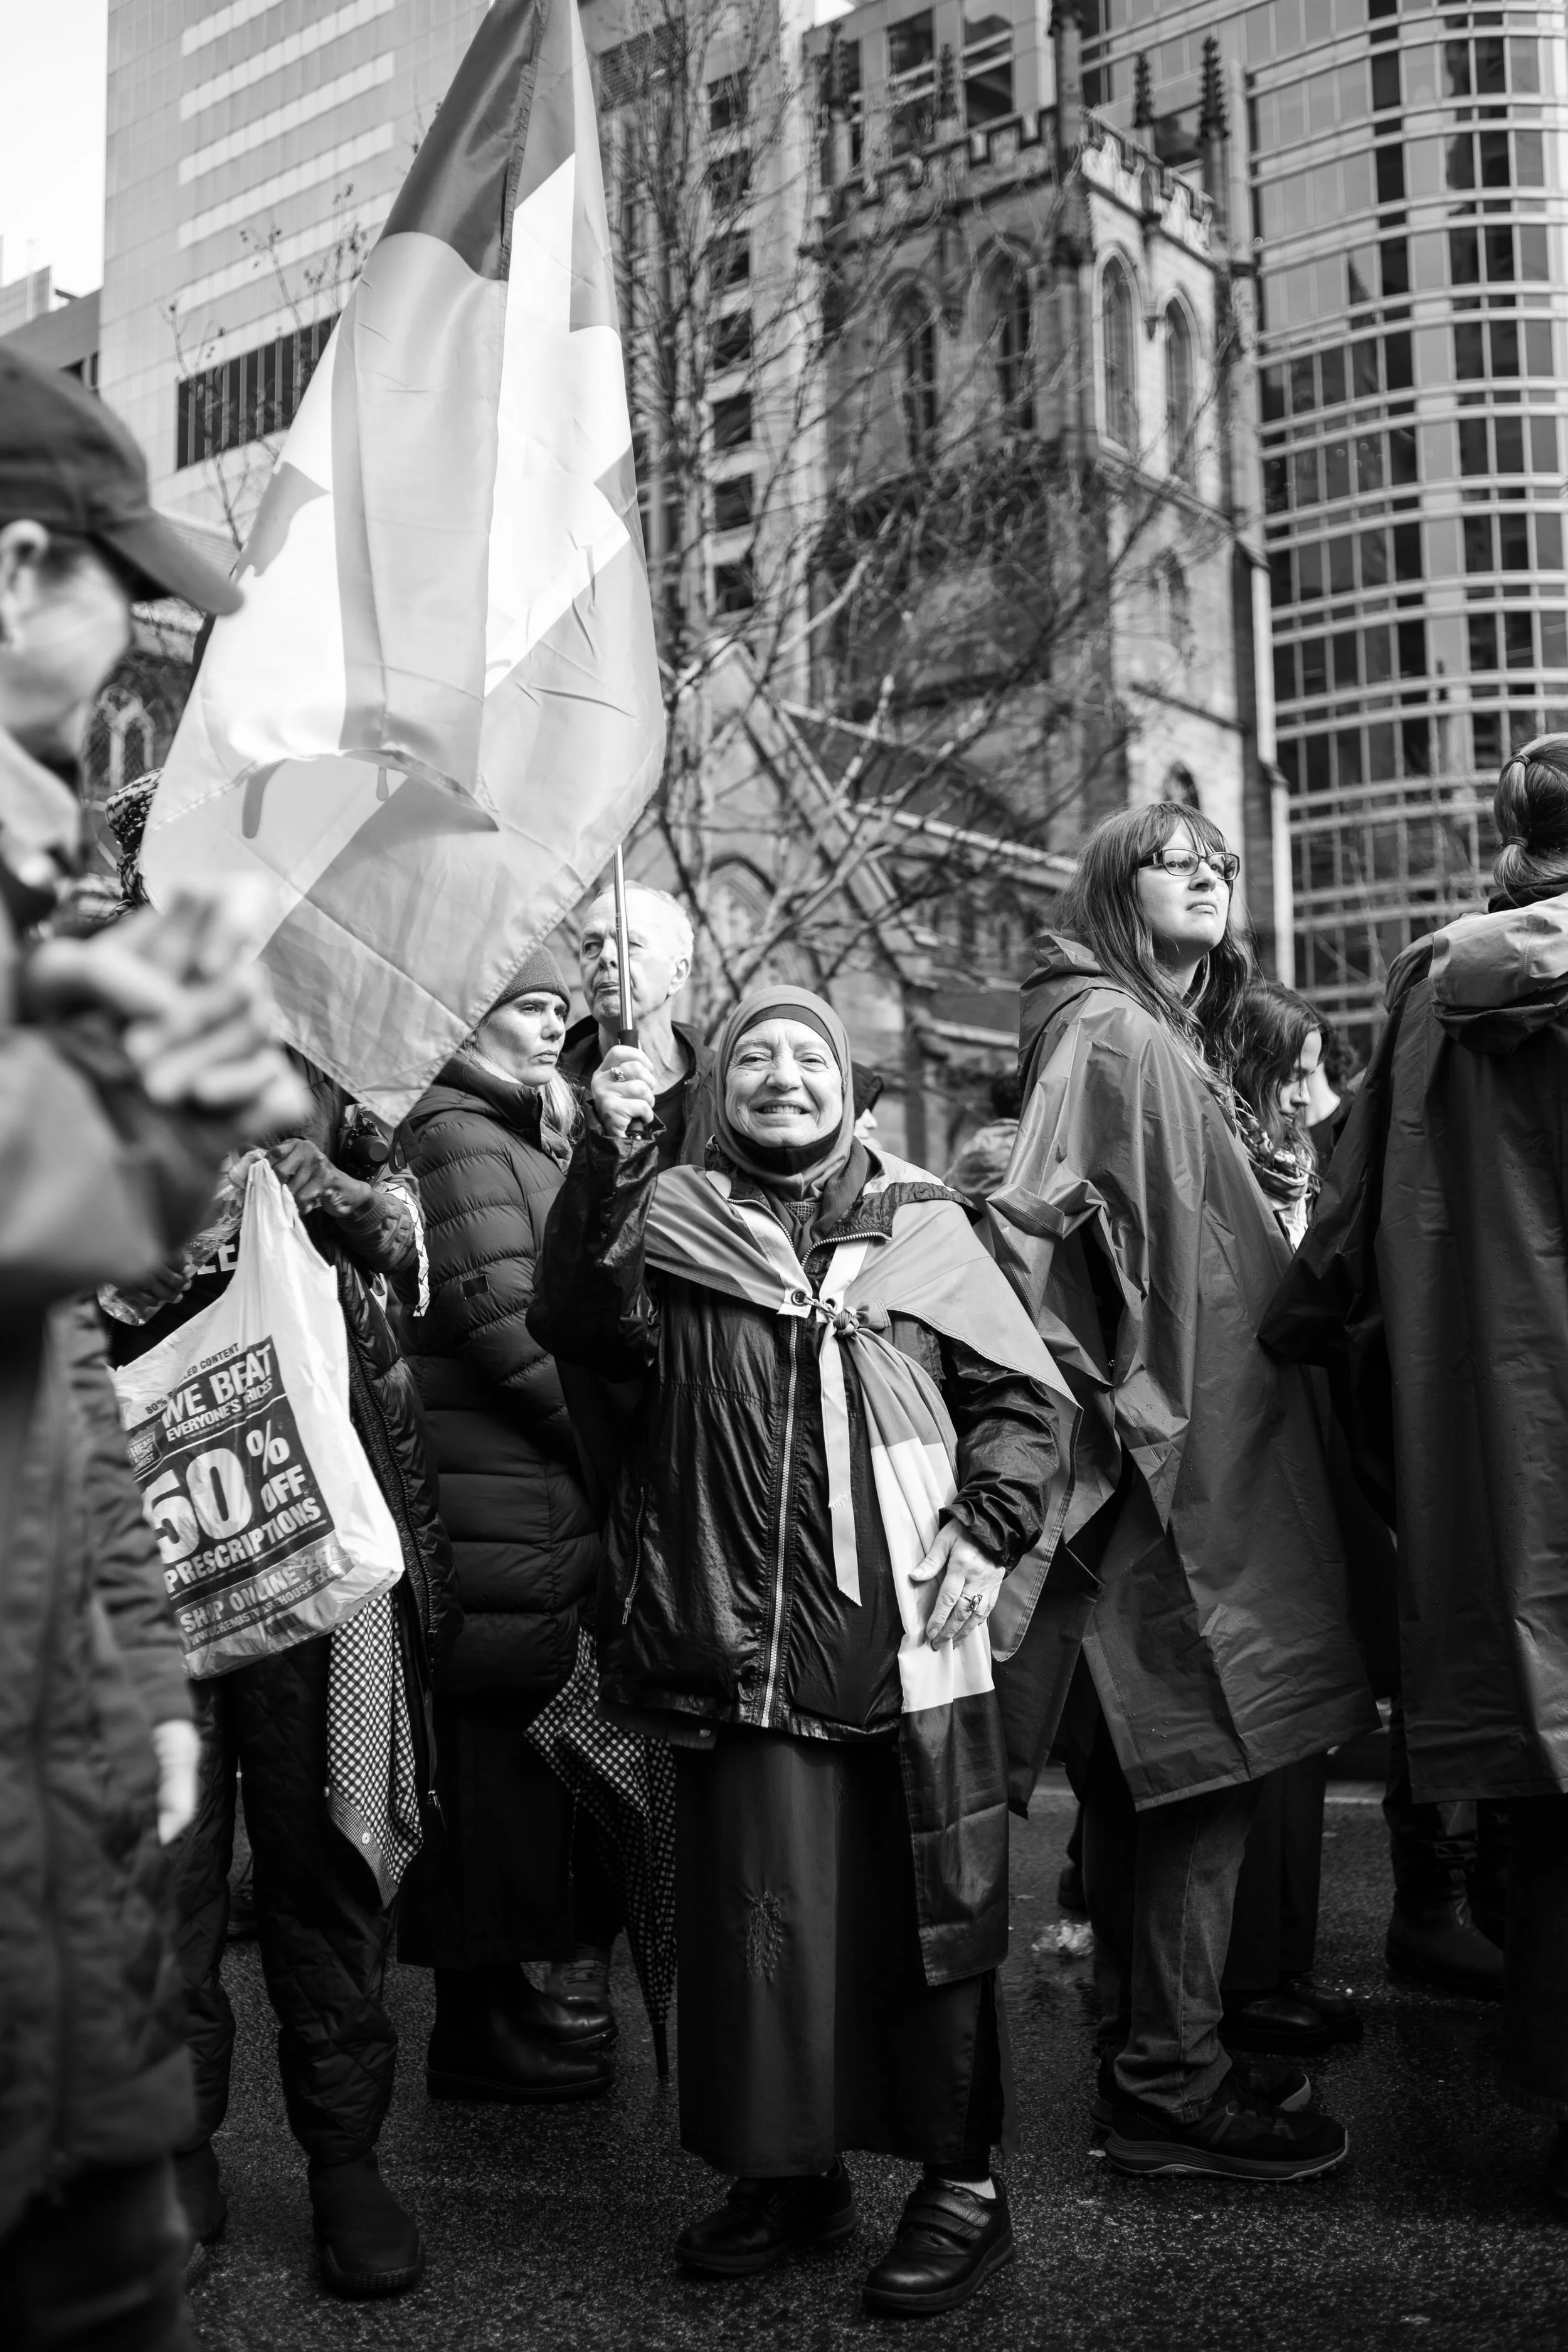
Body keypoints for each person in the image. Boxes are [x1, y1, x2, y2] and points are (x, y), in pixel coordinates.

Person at [529, 983, 1072, 2316]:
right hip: (731, 1639)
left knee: (921, 1921)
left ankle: (961, 2187)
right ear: (717, 1090)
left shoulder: (928, 1227)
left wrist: (990, 1526)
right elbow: (582, 1326)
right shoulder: (662, 1220)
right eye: (755, 1056)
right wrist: (609, 1153)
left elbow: (1017, 1397)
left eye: (808, 1056)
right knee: (757, 1927)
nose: (783, 1075)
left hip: (901, 1644)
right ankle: (789, 2172)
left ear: (847, 1087)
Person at [0, 347, 302, 2352]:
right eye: (132, 592)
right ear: (26, 569)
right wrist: (141, 1100)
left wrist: (139, 1662)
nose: (145, 659)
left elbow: (57, 1378)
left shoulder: (39, 880)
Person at [987, 802, 1375, 2181]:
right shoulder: (1108, 1029)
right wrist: (1116, 1414)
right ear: (1111, 887)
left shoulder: (1158, 1036)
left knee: (1162, 1782)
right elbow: (1036, 1240)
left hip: (1189, 1465)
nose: (1206, 872)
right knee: (1195, 1775)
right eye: (1173, 859)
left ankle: (1151, 2057)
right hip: (1162, 1482)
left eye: (1218, 860)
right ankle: (1166, 2086)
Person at [1263, 737, 1568, 2217]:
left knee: (1549, 1760)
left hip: (1505, 1432)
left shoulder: (1433, 981)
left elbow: (1353, 1194)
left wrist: (1307, 1321)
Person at [107, 1062, 458, 2302]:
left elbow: (415, 1246)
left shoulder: (326, 1045)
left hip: (319, 1534)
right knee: (161, 1866)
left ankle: (347, 2162)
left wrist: (341, 1197)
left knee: (328, 1859)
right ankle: (175, 2145)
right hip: (140, 1545)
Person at [394, 950, 616, 2100]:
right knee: (483, 1768)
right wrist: (613, 1440)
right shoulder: (456, 1130)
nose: (548, 1029)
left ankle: (498, 2005)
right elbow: (505, 1321)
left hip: (524, 1502)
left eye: (556, 1011)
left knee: (517, 1767)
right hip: (490, 1498)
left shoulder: (524, 1128)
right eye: (527, 1007)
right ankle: (474, 2028)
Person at [1218, 982, 1359, 2058]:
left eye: (1319, 1070)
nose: (1310, 1096)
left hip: (1322, 1469)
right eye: (1292, 1071)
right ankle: (1250, 1978)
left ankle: (1281, 1967)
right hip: (1254, 1478)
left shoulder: (1322, 1175)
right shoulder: (1232, 1183)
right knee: (1262, 1739)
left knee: (1304, 1733)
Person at [560, 881, 717, 1168]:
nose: (607, 957)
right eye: (591, 946)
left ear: (678, 973)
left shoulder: (725, 1089)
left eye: (629, 944)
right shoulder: (550, 1088)